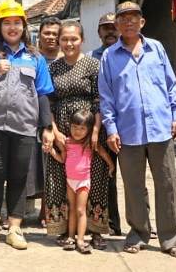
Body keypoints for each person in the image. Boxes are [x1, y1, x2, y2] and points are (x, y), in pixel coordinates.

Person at [98, 1, 176, 258]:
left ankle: (171, 238)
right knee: (134, 186)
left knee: (167, 183)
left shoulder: (156, 49)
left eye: (133, 18)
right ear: (116, 24)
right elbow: (107, 97)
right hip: (128, 132)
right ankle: (138, 232)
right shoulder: (109, 56)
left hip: (160, 128)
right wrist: (111, 129)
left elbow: (171, 86)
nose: (128, 22)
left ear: (142, 22)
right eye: (123, 18)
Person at [0, 0, 54, 250]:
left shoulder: (34, 56)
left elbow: (42, 92)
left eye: (17, 23)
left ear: (24, 26)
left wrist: (46, 127)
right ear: (0, 27)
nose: (13, 28)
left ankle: (15, 228)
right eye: (8, 23)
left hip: (24, 126)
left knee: (18, 176)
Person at [42, 20, 111, 249]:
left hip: (89, 127)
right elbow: (48, 102)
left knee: (95, 178)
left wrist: (96, 131)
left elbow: (99, 99)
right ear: (59, 41)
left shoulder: (93, 64)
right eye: (65, 39)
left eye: (74, 39)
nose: (69, 43)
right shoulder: (53, 67)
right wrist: (54, 130)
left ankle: (96, 230)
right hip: (62, 130)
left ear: (82, 40)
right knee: (60, 178)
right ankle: (65, 230)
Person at [49, 109, 114, 254]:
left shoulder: (90, 143)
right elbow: (62, 159)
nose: (77, 131)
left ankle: (80, 240)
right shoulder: (66, 142)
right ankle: (71, 237)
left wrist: (111, 165)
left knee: (80, 210)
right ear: (69, 126)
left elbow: (103, 153)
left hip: (83, 183)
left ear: (89, 129)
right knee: (72, 209)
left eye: (82, 128)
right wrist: (52, 152)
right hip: (70, 182)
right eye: (74, 127)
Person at [88, 12, 124, 237]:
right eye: (105, 27)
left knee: (134, 178)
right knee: (105, 176)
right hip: (102, 126)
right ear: (99, 32)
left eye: (113, 26)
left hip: (128, 125)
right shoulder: (91, 58)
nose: (110, 31)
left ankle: (142, 224)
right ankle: (110, 223)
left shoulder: (128, 53)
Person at [28, 16, 62, 228]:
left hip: (61, 118)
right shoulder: (31, 57)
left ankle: (47, 211)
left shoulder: (66, 58)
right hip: (32, 116)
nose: (51, 37)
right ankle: (21, 211)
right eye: (47, 33)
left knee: (54, 165)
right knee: (33, 166)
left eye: (55, 34)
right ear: (39, 35)